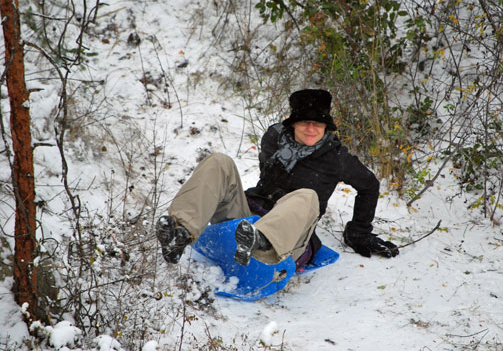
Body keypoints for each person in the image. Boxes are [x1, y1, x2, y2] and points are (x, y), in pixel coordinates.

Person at [156, 89, 399, 269]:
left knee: (305, 196)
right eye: (305, 122)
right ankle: (180, 232)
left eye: (319, 124)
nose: (311, 129)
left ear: (327, 127)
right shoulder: (274, 139)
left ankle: (262, 241)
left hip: (286, 242)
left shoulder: (336, 158)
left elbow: (370, 186)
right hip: (246, 223)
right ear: (293, 124)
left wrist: (358, 233)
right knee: (220, 162)